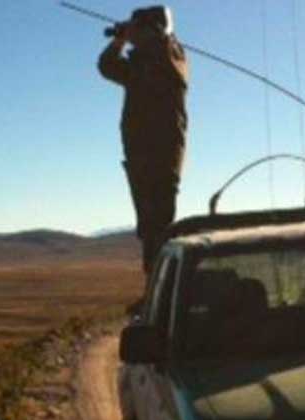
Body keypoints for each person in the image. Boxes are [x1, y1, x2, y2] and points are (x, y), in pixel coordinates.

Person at [98, 6, 189, 275]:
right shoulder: (142, 65)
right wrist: (120, 40)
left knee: (158, 225)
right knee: (148, 226)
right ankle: (153, 286)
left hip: (162, 155)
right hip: (140, 155)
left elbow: (160, 55)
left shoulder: (171, 56)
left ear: (155, 30)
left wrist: (139, 35)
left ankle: (159, 286)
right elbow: (106, 66)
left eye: (138, 27)